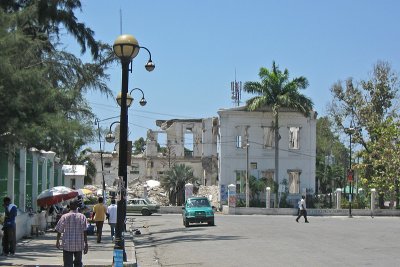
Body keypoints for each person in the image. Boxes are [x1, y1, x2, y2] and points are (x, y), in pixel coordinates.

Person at [55, 200, 88, 267]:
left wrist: (57, 241)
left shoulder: (64, 216)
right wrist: (86, 244)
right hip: (79, 244)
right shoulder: (82, 217)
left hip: (67, 244)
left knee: (67, 264)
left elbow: (59, 230)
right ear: (77, 206)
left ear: (69, 206)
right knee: (78, 263)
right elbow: (85, 231)